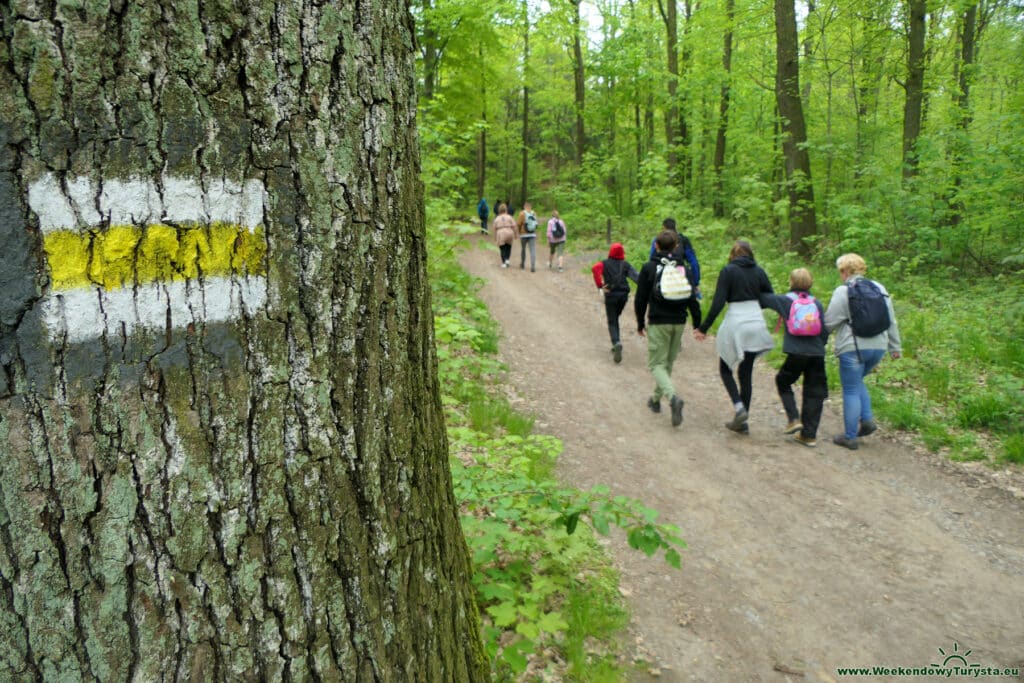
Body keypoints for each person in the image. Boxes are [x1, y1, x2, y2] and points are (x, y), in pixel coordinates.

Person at [694, 240, 774, 434]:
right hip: (756, 321)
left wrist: (703, 328)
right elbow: (769, 296)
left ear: (732, 254)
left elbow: (719, 302)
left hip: (737, 321)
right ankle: (743, 421)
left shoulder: (728, 271)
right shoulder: (759, 271)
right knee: (746, 373)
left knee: (725, 368)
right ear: (750, 254)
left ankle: (739, 408)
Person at [824, 253, 902, 450]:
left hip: (853, 348)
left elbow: (830, 321)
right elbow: (891, 320)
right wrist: (895, 347)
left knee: (850, 388)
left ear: (844, 271)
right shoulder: (879, 288)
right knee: (857, 381)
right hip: (878, 347)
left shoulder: (843, 291)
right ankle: (866, 421)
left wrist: (817, 337)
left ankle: (850, 437)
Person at [635, 230, 702, 427]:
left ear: (656, 246)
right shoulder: (684, 269)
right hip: (679, 322)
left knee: (656, 364)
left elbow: (640, 299)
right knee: (668, 362)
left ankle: (673, 399)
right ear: (675, 247)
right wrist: (697, 325)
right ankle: (655, 400)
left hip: (658, 321)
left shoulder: (649, 267)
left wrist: (640, 322)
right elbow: (692, 299)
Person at [759, 268, 830, 447]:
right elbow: (824, 331)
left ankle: (793, 418)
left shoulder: (785, 300)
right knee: (814, 391)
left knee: (783, 381)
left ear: (791, 282)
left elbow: (763, 298)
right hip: (816, 353)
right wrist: (819, 347)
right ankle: (809, 435)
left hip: (796, 352)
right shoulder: (817, 303)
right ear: (810, 283)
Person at [592, 242, 640, 363]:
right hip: (623, 296)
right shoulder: (625, 265)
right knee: (616, 317)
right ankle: (616, 341)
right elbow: (637, 278)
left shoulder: (604, 263)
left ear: (611, 252)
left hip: (611, 294)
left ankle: (616, 342)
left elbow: (594, 269)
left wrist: (600, 285)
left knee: (612, 320)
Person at [650, 218, 701, 297]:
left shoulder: (657, 240)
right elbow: (693, 263)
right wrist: (695, 283)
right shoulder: (683, 240)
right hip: (680, 277)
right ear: (675, 227)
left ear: (663, 228)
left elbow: (652, 260)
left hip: (661, 279)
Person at [516, 202, 539, 272]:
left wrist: (519, 232)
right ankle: (533, 266)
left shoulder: (522, 213)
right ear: (530, 207)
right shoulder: (534, 213)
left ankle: (522, 264)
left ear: (524, 207)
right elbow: (536, 224)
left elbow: (518, 224)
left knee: (523, 249)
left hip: (524, 234)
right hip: (532, 234)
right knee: (532, 250)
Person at [492, 203, 517, 268]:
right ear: (506, 210)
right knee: (508, 246)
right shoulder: (510, 217)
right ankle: (507, 260)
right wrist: (515, 234)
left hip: (500, 233)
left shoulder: (497, 218)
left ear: (499, 210)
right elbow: (514, 226)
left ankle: (503, 262)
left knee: (502, 248)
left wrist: (495, 237)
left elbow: (494, 229)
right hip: (509, 232)